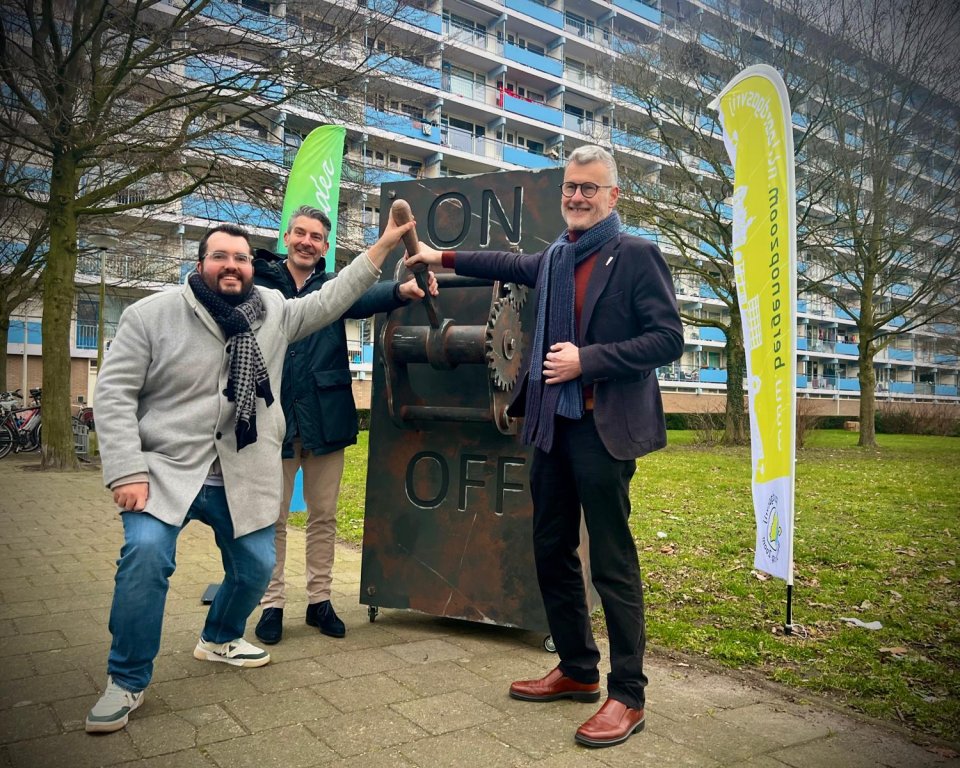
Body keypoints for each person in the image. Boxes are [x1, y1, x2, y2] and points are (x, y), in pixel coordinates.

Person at [86, 216, 414, 734]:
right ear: (201, 264)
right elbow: (114, 394)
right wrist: (126, 470)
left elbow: (334, 300)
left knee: (257, 566)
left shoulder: (274, 311)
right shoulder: (151, 315)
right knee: (147, 557)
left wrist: (384, 247)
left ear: (250, 266)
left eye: (240, 258)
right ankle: (125, 680)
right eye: (221, 257)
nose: (232, 266)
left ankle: (218, 637)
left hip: (240, 473)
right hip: (167, 472)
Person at [405, 145, 684, 748]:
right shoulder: (557, 257)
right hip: (551, 426)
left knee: (611, 563)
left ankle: (627, 695)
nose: (577, 197)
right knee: (550, 549)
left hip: (602, 429)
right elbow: (503, 260)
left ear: (614, 196)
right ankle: (579, 670)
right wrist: (440, 254)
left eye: (589, 188)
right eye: (570, 188)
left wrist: (589, 360)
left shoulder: (636, 255)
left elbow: (667, 339)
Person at [251, 205, 437, 644]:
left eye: (316, 237)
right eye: (300, 233)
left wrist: (404, 290)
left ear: (325, 246)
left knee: (323, 517)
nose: (306, 242)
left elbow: (365, 293)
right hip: (273, 418)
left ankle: (319, 601)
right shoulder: (260, 281)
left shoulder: (334, 285)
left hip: (325, 416)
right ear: (287, 236)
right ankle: (271, 604)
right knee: (271, 519)